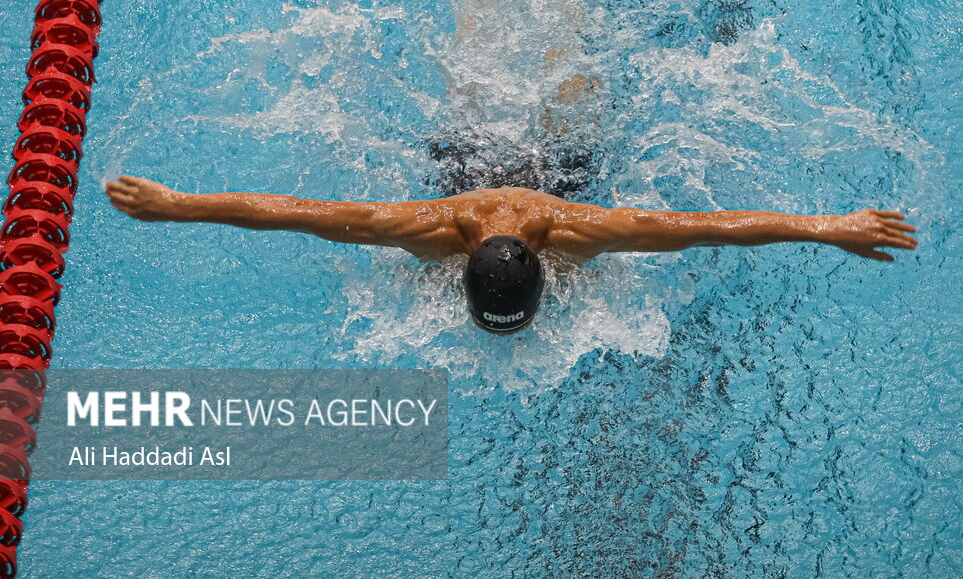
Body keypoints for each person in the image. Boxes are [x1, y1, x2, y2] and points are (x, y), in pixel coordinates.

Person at [105, 176, 919, 334]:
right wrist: (176, 207)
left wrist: (830, 224)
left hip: (557, 164)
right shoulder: (428, 227)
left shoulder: (581, 227)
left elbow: (709, 224)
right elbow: (296, 214)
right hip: (471, 164)